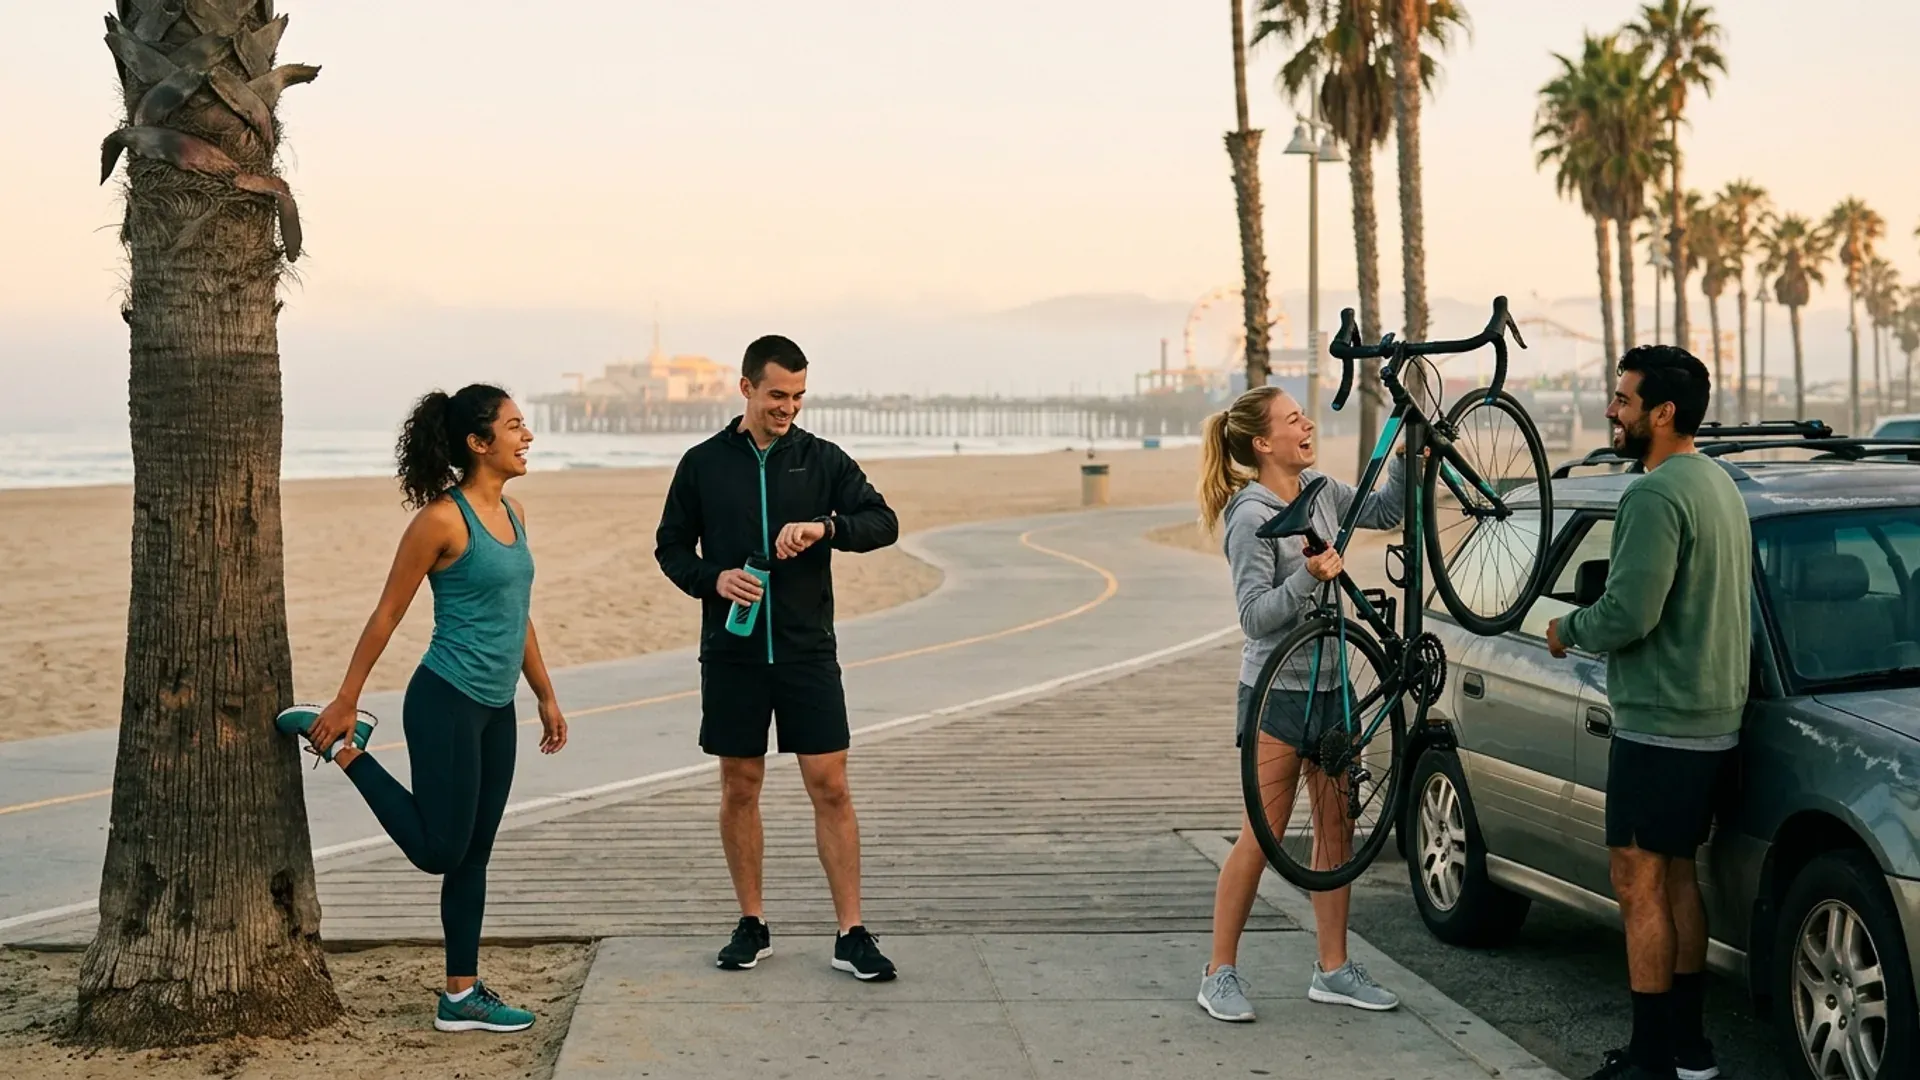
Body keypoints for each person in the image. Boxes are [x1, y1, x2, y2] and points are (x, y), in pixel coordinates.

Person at [276, 384, 569, 1034]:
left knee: (474, 855)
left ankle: (461, 995)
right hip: (446, 700)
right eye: (515, 427)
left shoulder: (515, 514)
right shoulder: (442, 520)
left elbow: (515, 616)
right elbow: (388, 612)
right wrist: (347, 699)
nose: (527, 438)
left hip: (497, 710)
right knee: (440, 850)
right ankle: (340, 748)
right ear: (478, 441)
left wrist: (544, 694)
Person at [654, 334, 902, 981]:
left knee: (832, 785)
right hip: (732, 653)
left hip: (806, 652)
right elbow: (671, 549)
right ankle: (752, 923)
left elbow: (883, 521)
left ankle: (851, 933)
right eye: (776, 395)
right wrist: (715, 579)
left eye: (796, 396)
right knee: (741, 786)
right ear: (746, 389)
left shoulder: (822, 461)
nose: (787, 408)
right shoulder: (703, 464)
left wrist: (828, 528)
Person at [1546, 346, 1749, 1080]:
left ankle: (1651, 1060)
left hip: (1660, 720)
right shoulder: (1719, 483)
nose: (1613, 411)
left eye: (1625, 400)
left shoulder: (1655, 495)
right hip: (1711, 718)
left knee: (1637, 882)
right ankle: (1690, 1051)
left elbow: (1630, 610)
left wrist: (1569, 629)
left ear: (1663, 413)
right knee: (1676, 874)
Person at [1194, 385, 1405, 1023]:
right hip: (1275, 694)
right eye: (1292, 419)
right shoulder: (1251, 515)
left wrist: (1407, 440)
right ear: (1263, 443)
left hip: (1333, 686)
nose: (1307, 423)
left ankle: (1334, 969)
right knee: (1264, 834)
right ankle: (1219, 974)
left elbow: (1389, 508)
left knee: (1337, 829)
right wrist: (1306, 578)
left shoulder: (1321, 491)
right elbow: (1256, 616)